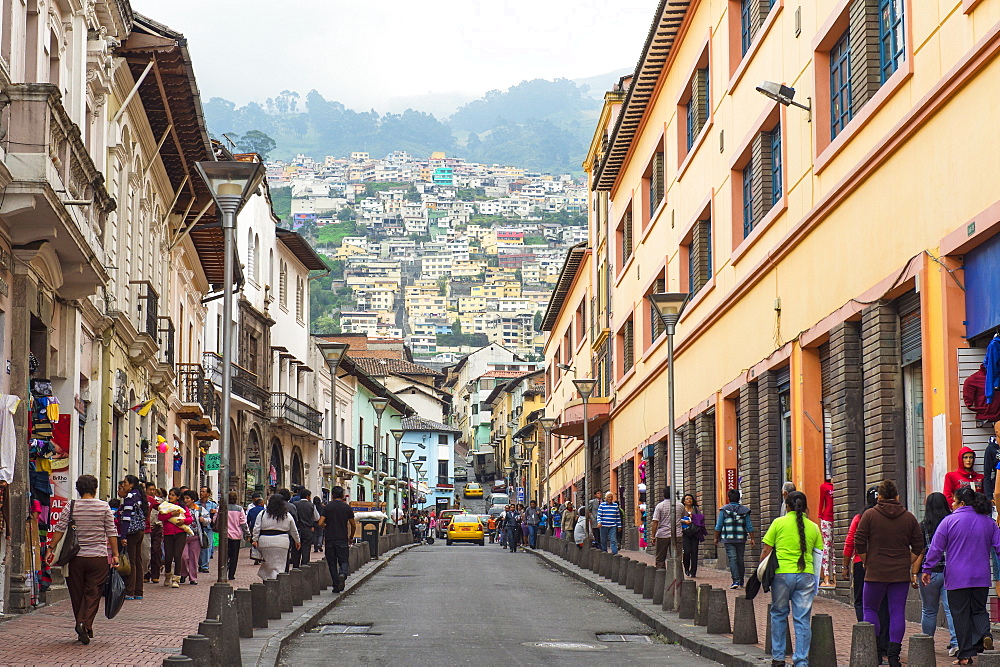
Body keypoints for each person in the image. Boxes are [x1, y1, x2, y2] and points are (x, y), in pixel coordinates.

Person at [923, 486, 1000, 665]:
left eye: (955, 501)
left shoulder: (949, 521)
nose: (952, 504)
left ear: (962, 502)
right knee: (979, 609)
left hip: (957, 578)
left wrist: (927, 569)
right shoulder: (988, 522)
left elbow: (935, 548)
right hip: (981, 576)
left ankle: (965, 655)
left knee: (960, 614)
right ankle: (985, 634)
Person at [854, 479, 924, 667]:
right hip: (899, 574)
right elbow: (919, 544)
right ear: (897, 496)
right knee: (896, 612)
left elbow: (858, 540)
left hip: (875, 571)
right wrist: (906, 561)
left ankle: (875, 652)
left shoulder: (869, 515)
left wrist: (866, 559)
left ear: (880, 497)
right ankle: (893, 656)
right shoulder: (908, 517)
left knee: (870, 609)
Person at [46, 474, 119, 645]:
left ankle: (82, 624)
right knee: (93, 593)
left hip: (75, 558)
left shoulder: (71, 506)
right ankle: (84, 623)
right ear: (95, 488)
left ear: (78, 489)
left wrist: (50, 548)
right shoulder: (104, 507)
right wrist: (115, 554)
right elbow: (111, 532)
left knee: (77, 593)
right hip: (98, 557)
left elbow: (60, 529)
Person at [761, 490, 824, 667]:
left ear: (786, 506)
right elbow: (818, 554)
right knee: (802, 619)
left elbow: (766, 550)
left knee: (779, 614)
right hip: (807, 576)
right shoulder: (814, 527)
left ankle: (779, 658)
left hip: (782, 575)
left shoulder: (778, 523)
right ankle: (801, 661)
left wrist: (761, 570)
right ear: (805, 507)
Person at [844, 487, 890, 658]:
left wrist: (844, 566)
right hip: (883, 564)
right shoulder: (887, 517)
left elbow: (850, 541)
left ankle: (866, 635)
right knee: (883, 603)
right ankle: (884, 644)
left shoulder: (860, 517)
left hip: (861, 564)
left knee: (861, 601)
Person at [913, 492, 959, 657]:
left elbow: (920, 550)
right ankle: (956, 643)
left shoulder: (923, 526)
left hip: (929, 572)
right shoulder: (952, 523)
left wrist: (914, 572)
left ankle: (927, 641)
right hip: (950, 572)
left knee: (928, 610)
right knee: (951, 609)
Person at [252, 493, 301, 581]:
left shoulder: (263, 514)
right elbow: (294, 530)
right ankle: (277, 583)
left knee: (268, 565)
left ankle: (268, 581)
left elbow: (256, 527)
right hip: (282, 542)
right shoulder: (287, 515)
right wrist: (297, 541)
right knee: (280, 566)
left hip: (265, 542)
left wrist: (255, 539)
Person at [714, 488, 756, 588]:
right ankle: (741, 580)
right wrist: (752, 538)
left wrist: (716, 537)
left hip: (728, 538)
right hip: (741, 538)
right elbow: (749, 525)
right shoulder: (745, 511)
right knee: (740, 559)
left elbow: (718, 526)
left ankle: (735, 581)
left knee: (732, 559)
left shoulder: (724, 510)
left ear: (729, 498)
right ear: (739, 498)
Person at [318, 485, 356, 591]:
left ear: (333, 495)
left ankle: (335, 585)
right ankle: (342, 574)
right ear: (343, 495)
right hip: (342, 538)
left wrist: (327, 526)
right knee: (344, 561)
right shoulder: (347, 508)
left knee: (332, 563)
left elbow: (320, 522)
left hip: (330, 538)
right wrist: (351, 537)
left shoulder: (328, 507)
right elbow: (353, 525)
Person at [119, 474, 148, 600]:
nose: (123, 485)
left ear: (131, 485)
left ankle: (130, 591)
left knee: (131, 561)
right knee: (137, 560)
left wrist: (123, 535)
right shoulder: (140, 495)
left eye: (125, 483)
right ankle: (138, 591)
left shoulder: (130, 496)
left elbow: (126, 518)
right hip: (140, 531)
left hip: (131, 532)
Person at [158, 487, 191, 588]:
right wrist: (171, 514)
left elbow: (189, 518)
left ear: (177, 497)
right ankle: (168, 575)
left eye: (173, 495)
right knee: (168, 556)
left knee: (178, 556)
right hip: (168, 534)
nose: (170, 496)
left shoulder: (182, 507)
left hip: (180, 533)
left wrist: (183, 521)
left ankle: (176, 578)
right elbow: (160, 517)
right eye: (170, 494)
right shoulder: (165, 506)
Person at [679, 493, 706, 578]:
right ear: (684, 501)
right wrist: (684, 520)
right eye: (687, 499)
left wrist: (694, 517)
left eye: (690, 498)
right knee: (687, 551)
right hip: (685, 533)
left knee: (694, 552)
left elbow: (701, 518)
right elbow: (677, 520)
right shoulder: (682, 509)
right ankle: (686, 568)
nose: (689, 500)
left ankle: (693, 571)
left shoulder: (696, 509)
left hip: (695, 533)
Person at [181, 489, 205, 585]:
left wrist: (204, 519)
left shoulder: (199, 509)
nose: (186, 500)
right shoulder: (181, 509)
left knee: (194, 558)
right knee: (183, 557)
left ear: (193, 499)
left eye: (188, 498)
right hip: (183, 537)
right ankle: (183, 573)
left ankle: (193, 578)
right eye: (184, 498)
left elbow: (208, 519)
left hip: (195, 537)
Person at [291, 488, 319, 567]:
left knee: (296, 548)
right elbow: (316, 518)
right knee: (306, 548)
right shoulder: (311, 505)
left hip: (297, 529)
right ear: (307, 496)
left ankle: (295, 566)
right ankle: (304, 565)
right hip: (307, 529)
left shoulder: (295, 504)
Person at [224, 492, 247, 581]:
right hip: (236, 536)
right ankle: (231, 574)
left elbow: (215, 519)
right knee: (234, 556)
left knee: (224, 555)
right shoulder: (239, 509)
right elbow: (243, 523)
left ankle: (223, 572)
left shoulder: (222, 508)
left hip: (224, 535)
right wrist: (247, 533)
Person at [818, 478, 835, 588]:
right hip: (827, 518)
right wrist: (820, 515)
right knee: (827, 547)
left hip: (836, 517)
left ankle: (835, 575)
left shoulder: (838, 484)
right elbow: (821, 501)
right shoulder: (824, 486)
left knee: (834, 548)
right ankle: (826, 577)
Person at [145, 483, 163, 584]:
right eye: (150, 490)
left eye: (153, 490)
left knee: (156, 550)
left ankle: (155, 574)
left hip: (157, 528)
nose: (152, 492)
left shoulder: (159, 502)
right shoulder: (143, 500)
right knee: (146, 552)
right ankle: (146, 574)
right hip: (147, 528)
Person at [198, 486, 218, 573]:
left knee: (207, 546)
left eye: (203, 491)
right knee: (198, 546)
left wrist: (215, 512)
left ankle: (205, 566)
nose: (201, 493)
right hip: (198, 527)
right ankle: (199, 563)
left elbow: (218, 514)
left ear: (208, 494)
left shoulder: (212, 504)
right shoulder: (196, 504)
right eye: (201, 491)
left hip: (209, 528)